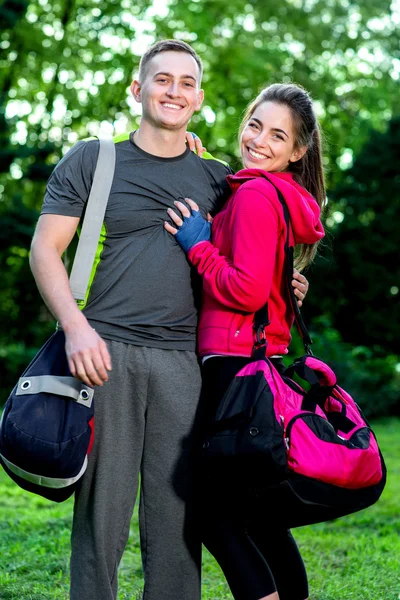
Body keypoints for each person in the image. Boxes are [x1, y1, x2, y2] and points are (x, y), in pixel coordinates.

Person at [29, 39, 309, 600]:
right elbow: (44, 250)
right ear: (139, 89)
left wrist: (285, 286)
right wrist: (77, 328)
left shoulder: (221, 178)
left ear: (199, 98)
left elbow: (242, 266)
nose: (173, 91)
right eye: (162, 79)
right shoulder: (93, 159)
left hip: (189, 363)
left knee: (179, 518)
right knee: (100, 518)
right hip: (105, 355)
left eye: (186, 82)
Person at [165, 82, 326, 600]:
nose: (260, 140)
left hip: (233, 367)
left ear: (298, 151)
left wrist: (196, 246)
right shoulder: (270, 191)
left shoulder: (256, 194)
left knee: (214, 516)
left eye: (278, 135)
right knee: (255, 513)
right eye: (255, 124)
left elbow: (245, 288)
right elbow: (264, 276)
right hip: (258, 363)